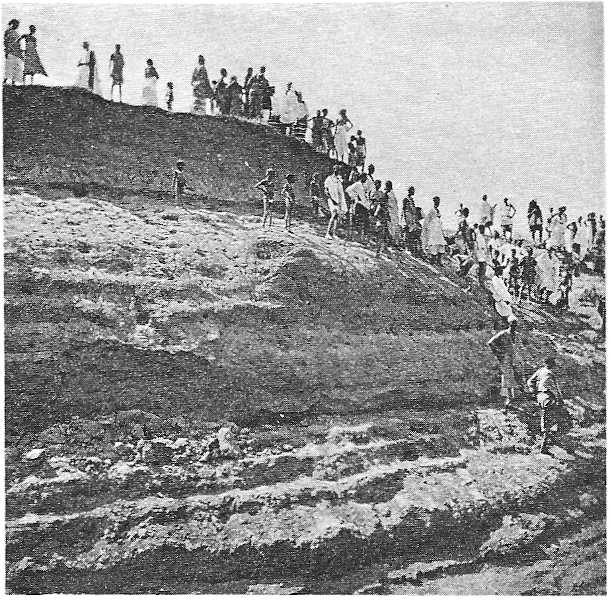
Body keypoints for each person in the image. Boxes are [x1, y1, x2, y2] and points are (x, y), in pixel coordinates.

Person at [527, 357, 565, 454]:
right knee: (550, 420)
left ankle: (548, 442)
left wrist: (534, 392)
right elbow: (555, 389)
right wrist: (560, 399)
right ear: (552, 365)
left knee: (546, 418)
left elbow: (530, 381)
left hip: (540, 397)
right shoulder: (550, 374)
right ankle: (544, 447)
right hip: (548, 397)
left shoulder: (540, 371)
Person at [487, 316, 518, 410]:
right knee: (507, 378)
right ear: (509, 324)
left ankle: (514, 398)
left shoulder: (516, 335)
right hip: (506, 358)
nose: (514, 326)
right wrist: (499, 353)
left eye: (515, 324)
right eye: (512, 324)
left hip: (513, 358)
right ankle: (508, 399)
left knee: (516, 377)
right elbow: (491, 343)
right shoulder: (503, 334)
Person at [324, 165, 347, 239]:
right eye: (336, 170)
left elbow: (340, 192)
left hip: (338, 200)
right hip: (331, 200)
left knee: (336, 217)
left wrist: (340, 202)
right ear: (334, 170)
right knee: (333, 215)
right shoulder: (329, 179)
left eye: (339, 170)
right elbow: (326, 191)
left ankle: (333, 233)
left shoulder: (339, 179)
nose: (338, 171)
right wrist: (332, 200)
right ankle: (327, 233)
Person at [346, 172, 371, 241]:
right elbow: (348, 190)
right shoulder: (357, 184)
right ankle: (356, 237)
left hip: (364, 206)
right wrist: (354, 197)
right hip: (359, 205)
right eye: (365, 177)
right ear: (362, 177)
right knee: (359, 221)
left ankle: (362, 237)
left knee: (365, 221)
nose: (366, 179)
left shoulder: (364, 185)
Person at [421, 196, 445, 265]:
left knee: (440, 244)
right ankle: (433, 259)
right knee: (433, 244)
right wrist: (427, 228)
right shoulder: (432, 210)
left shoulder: (438, 210)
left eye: (439, 201)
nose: (438, 203)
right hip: (433, 229)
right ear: (434, 202)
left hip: (438, 229)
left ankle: (439, 260)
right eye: (436, 201)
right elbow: (427, 220)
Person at [373, 182, 391, 257]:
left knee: (382, 236)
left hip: (382, 222)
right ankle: (377, 252)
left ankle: (379, 251)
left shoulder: (384, 208)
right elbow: (376, 214)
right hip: (381, 222)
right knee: (380, 236)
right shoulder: (381, 206)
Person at [4, 19, 23, 86]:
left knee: (16, 66)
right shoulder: (9, 32)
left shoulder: (15, 32)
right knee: (9, 67)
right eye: (16, 25)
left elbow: (17, 43)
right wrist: (7, 51)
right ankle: (5, 81)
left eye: (17, 25)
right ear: (13, 24)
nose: (17, 26)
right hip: (11, 51)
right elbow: (6, 42)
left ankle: (13, 82)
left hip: (16, 51)